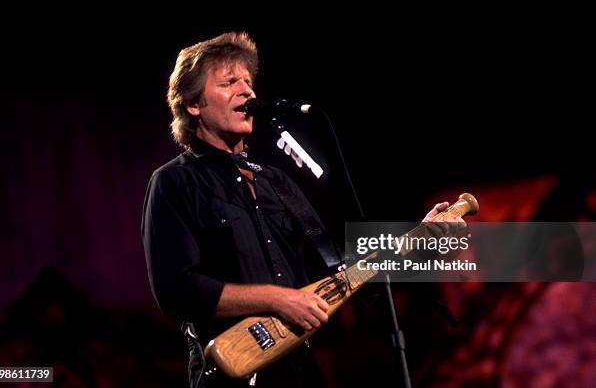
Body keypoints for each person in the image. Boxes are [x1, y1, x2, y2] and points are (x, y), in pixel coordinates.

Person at [141, 31, 461, 388]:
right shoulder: (174, 182)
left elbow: (337, 268)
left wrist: (417, 238)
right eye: (229, 82)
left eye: (248, 82)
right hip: (228, 371)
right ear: (193, 104)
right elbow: (177, 290)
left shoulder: (276, 181)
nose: (247, 91)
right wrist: (279, 300)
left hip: (300, 371)